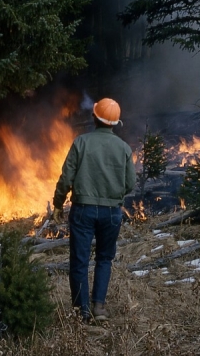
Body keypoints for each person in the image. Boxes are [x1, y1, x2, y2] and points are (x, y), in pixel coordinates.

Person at [52, 97, 136, 321]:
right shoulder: (124, 148)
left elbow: (66, 178)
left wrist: (58, 204)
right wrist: (112, 195)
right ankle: (98, 307)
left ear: (94, 117)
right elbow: (130, 184)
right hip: (111, 213)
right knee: (104, 259)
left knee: (79, 260)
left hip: (83, 211)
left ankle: (82, 311)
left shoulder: (81, 142)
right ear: (116, 123)